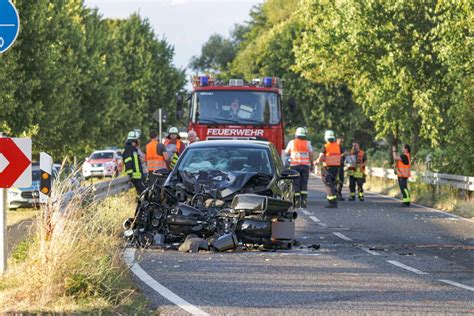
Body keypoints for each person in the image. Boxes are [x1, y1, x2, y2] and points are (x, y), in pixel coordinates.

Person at [285, 127, 313, 209]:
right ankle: (304, 202)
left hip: (294, 166)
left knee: (295, 183)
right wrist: (312, 164)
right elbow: (311, 154)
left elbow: (286, 152)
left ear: (296, 135)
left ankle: (296, 202)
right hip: (305, 166)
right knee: (304, 183)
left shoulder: (292, 142)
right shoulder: (308, 143)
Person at [315, 130, 341, 208]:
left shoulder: (325, 146)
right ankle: (334, 200)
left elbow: (321, 157)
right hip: (336, 168)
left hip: (328, 168)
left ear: (326, 138)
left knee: (328, 185)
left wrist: (316, 162)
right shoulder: (337, 146)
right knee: (332, 184)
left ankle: (332, 202)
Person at [123, 130, 146, 195]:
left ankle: (141, 204)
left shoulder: (133, 149)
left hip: (138, 177)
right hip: (135, 177)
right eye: (137, 140)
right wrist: (131, 175)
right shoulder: (128, 149)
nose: (138, 141)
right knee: (143, 193)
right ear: (134, 140)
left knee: (142, 193)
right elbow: (128, 163)